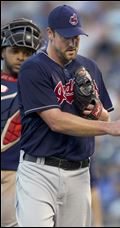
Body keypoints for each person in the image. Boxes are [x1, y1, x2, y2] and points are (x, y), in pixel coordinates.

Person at [16, 4, 120, 227]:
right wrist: (108, 127)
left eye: (77, 36)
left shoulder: (89, 67)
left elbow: (104, 118)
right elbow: (56, 121)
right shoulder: (33, 68)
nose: (73, 42)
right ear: (50, 34)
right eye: (66, 36)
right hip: (39, 171)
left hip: (79, 173)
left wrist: (99, 113)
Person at [1, 18, 42, 227]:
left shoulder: (39, 88)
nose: (20, 57)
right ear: (2, 51)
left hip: (17, 173)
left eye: (27, 53)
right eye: (15, 50)